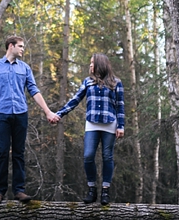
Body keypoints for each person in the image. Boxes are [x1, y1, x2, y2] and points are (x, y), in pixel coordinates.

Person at [0, 35, 59, 205]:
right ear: (10, 46)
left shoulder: (25, 68)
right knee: (2, 152)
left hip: (20, 114)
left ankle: (19, 190)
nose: (22, 49)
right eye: (20, 46)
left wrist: (48, 112)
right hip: (2, 114)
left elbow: (34, 90)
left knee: (19, 153)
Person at [53, 53, 125, 205]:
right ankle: (92, 189)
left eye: (92, 63)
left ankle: (105, 191)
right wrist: (60, 113)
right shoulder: (88, 82)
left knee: (107, 157)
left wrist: (121, 126)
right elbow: (75, 99)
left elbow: (120, 106)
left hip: (110, 123)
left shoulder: (116, 82)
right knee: (88, 156)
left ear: (100, 64)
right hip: (92, 123)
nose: (90, 66)